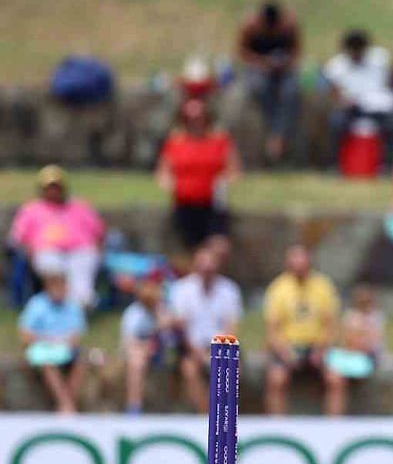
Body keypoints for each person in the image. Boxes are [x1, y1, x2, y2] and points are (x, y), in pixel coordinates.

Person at [263, 244, 346, 416]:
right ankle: (277, 425)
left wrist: (321, 350)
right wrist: (285, 352)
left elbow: (331, 325)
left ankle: (335, 426)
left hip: (316, 347)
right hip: (289, 347)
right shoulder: (278, 288)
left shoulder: (323, 286)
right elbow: (272, 330)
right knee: (276, 379)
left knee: (336, 379)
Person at [9, 165, 105, 309]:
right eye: (49, 187)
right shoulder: (31, 210)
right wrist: (29, 252)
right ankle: (65, 306)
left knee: (81, 270)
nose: (54, 191)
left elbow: (99, 233)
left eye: (57, 187)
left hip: (80, 251)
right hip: (47, 252)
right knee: (53, 267)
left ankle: (81, 302)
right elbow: (17, 239)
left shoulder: (80, 207)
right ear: (42, 189)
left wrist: (97, 250)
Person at [156, 98, 242, 250]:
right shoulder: (175, 142)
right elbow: (163, 172)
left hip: (212, 204)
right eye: (190, 118)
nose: (195, 122)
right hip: (184, 204)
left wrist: (223, 183)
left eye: (198, 118)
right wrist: (171, 186)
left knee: (218, 246)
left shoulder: (220, 140)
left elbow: (233, 170)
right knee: (187, 248)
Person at [170, 246, 243, 413]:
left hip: (221, 346)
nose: (207, 271)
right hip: (191, 347)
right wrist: (199, 354)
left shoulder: (229, 290)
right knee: (189, 370)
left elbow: (231, 327)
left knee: (232, 368)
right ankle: (206, 415)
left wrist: (217, 352)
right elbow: (182, 329)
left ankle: (225, 415)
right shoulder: (182, 289)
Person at [237, 0, 302, 162]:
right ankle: (272, 129)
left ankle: (278, 134)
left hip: (283, 69)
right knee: (260, 87)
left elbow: (296, 52)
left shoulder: (289, 27)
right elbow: (243, 53)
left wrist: (284, 64)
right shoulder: (250, 27)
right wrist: (263, 63)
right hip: (258, 67)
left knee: (291, 91)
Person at [323, 29, 393, 167]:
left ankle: (387, 164)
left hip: (378, 106)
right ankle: (335, 163)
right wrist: (345, 102)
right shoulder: (336, 66)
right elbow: (334, 94)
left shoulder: (380, 59)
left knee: (391, 125)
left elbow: (391, 83)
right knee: (337, 123)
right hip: (352, 108)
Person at [120, 273, 190, 414]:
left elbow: (178, 332)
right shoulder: (133, 314)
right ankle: (134, 406)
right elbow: (129, 343)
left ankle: (184, 407)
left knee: (187, 365)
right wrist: (147, 347)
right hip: (145, 353)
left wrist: (170, 323)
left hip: (168, 352)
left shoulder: (166, 310)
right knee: (136, 361)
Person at [19, 271, 86, 413]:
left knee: (81, 362)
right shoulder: (36, 304)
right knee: (48, 363)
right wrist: (47, 340)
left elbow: (76, 336)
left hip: (65, 349)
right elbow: (25, 334)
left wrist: (64, 343)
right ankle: (66, 405)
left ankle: (65, 405)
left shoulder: (73, 306)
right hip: (43, 348)